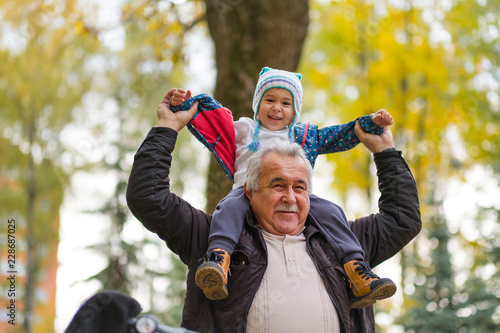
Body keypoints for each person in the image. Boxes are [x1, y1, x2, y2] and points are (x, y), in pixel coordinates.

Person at [126, 89, 421, 332]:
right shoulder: (209, 237)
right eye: (277, 185)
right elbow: (148, 197)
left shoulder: (343, 241)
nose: (290, 198)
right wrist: (167, 128)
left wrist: (386, 153)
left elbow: (402, 219)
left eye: (300, 187)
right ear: (250, 190)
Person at [167, 67, 395, 307]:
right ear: (257, 104)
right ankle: (218, 260)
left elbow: (340, 135)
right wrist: (184, 105)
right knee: (227, 208)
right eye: (270, 100)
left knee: (332, 211)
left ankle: (357, 270)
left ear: (295, 110)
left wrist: (370, 123)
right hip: (248, 191)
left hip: (296, 197)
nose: (277, 107)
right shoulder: (244, 129)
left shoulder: (304, 135)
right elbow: (212, 124)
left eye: (286, 103)